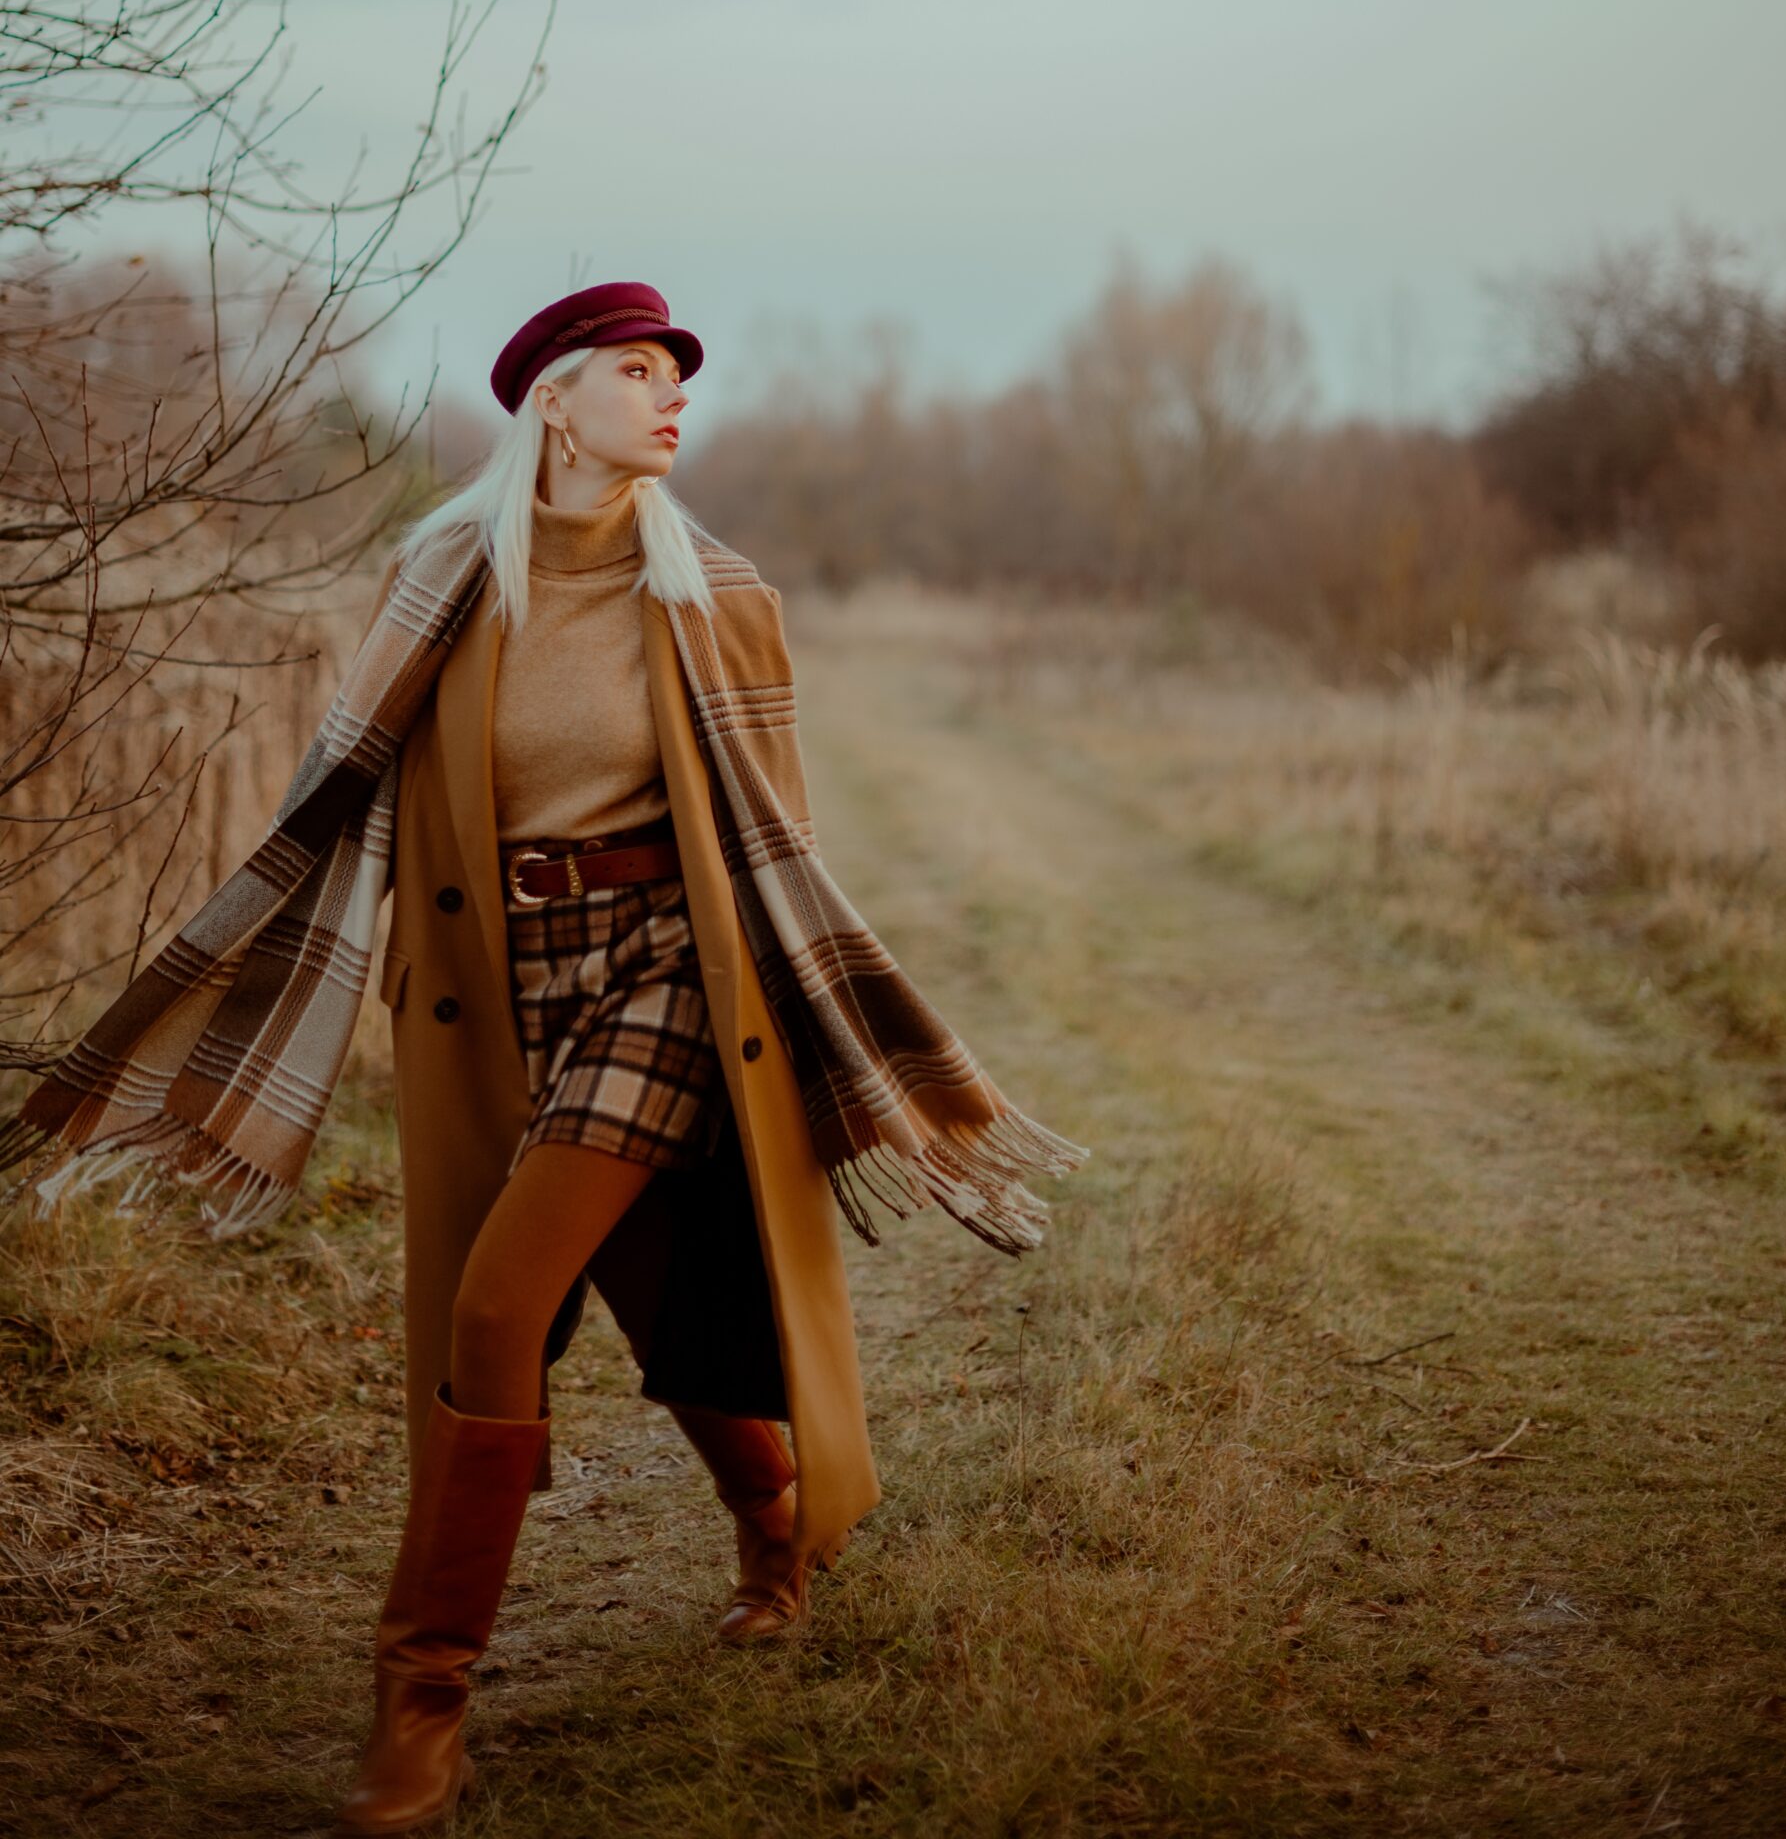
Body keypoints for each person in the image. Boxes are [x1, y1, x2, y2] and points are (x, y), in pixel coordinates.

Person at [1, 281, 1087, 1839]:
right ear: (554, 404)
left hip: (661, 979)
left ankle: (420, 1700)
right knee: (649, 1293)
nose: (670, 401)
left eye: (675, 380)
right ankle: (768, 1520)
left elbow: (774, 851)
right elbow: (340, 800)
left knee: (495, 1307)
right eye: (637, 375)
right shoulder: (442, 581)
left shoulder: (715, 593)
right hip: (494, 991)